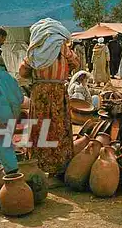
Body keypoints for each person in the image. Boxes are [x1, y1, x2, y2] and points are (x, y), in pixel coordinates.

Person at [19, 18, 79, 177]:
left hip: (40, 93)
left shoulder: (34, 50)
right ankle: (59, 165)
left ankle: (38, 164)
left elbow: (22, 72)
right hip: (58, 91)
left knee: (40, 127)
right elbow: (76, 63)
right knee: (57, 126)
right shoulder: (62, 47)